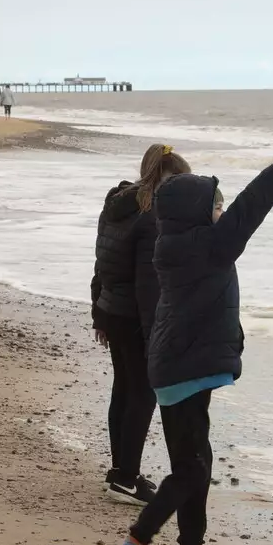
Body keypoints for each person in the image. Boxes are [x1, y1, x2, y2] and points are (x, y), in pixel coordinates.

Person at [108, 123, 273, 545]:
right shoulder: (209, 246)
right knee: (191, 469)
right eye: (215, 204)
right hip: (183, 370)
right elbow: (252, 206)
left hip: (176, 368)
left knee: (196, 463)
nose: (223, 210)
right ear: (196, 212)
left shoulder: (175, 245)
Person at [92, 143, 190, 506]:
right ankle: (125, 479)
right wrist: (156, 337)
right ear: (166, 179)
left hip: (113, 311)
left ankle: (121, 471)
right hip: (134, 317)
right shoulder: (151, 217)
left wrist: (98, 313)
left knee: (124, 389)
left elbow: (100, 263)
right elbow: (148, 286)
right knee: (142, 394)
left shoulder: (117, 205)